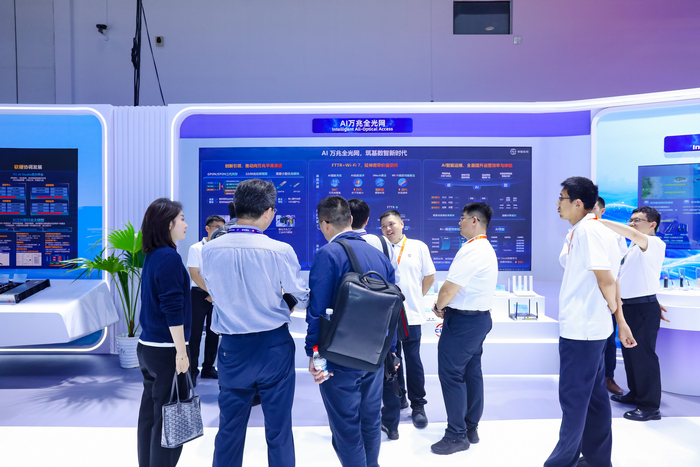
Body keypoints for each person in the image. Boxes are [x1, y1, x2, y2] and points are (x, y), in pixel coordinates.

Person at [201, 179, 310, 467]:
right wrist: (288, 299)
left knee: (229, 428)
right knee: (279, 429)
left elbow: (213, 290)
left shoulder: (209, 249)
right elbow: (301, 296)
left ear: (237, 207)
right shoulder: (279, 249)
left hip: (232, 348)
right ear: (269, 211)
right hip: (274, 346)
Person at [545, 177, 637, 467]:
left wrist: (618, 317)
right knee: (596, 400)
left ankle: (562, 463)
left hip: (582, 330)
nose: (557, 204)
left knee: (573, 400)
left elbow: (606, 279)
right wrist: (617, 319)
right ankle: (597, 460)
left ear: (577, 203)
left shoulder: (587, 231)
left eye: (561, 198)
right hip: (592, 329)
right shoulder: (590, 230)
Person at [306, 195, 396, 467]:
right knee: (370, 420)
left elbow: (318, 310)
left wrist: (313, 353)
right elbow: (393, 307)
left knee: (346, 427)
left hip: (339, 356)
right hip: (373, 355)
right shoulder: (380, 255)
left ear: (324, 223)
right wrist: (390, 351)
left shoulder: (328, 254)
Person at [429, 202, 497, 455]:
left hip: (463, 323)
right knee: (471, 372)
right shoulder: (485, 248)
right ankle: (470, 428)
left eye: (463, 218)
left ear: (475, 221)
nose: (459, 222)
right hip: (478, 320)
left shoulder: (472, 250)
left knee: (451, 375)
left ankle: (456, 435)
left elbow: (449, 288)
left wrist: (438, 306)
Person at [136, 198, 192, 467]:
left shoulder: (154, 255)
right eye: (181, 219)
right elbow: (172, 307)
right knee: (169, 420)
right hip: (167, 350)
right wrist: (181, 352)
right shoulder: (169, 257)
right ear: (168, 224)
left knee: (151, 414)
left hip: (149, 347)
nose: (185, 224)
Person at [599, 206, 666, 421]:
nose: (631, 224)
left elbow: (633, 235)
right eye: (631, 220)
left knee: (643, 356)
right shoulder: (634, 248)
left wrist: (598, 221)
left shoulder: (654, 243)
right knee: (630, 355)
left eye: (637, 220)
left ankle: (649, 406)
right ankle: (636, 394)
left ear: (652, 224)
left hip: (642, 308)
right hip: (630, 306)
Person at [559, 196, 628, 395]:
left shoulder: (594, 232)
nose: (558, 204)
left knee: (575, 390)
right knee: (593, 386)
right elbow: (565, 261)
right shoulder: (576, 232)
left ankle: (609, 377)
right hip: (590, 306)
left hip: (595, 309)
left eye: (562, 198)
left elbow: (609, 276)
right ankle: (603, 380)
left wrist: (614, 306)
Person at [379, 209, 435, 437]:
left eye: (391, 224)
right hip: (387, 316)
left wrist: (417, 297)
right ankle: (399, 397)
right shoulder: (380, 249)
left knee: (413, 360)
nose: (388, 229)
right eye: (384, 226)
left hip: (411, 314)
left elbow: (429, 276)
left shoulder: (418, 247)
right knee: (393, 360)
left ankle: (418, 405)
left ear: (402, 224)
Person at [186, 214, 225, 385]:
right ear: (207, 228)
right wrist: (211, 292)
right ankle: (192, 371)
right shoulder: (196, 248)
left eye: (223, 228)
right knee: (195, 334)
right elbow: (194, 274)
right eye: (217, 227)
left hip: (217, 294)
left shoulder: (223, 249)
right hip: (198, 294)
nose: (220, 231)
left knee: (213, 333)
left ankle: (208, 368)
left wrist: (216, 293)